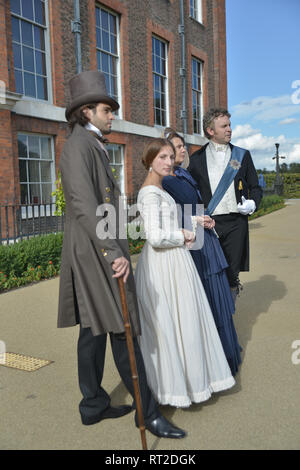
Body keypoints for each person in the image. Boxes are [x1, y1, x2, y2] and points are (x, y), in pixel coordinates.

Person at [57, 70, 186, 439]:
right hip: (97, 252)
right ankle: (148, 413)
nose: (112, 114)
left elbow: (103, 204)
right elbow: (83, 206)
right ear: (86, 112)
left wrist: (132, 219)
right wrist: (112, 251)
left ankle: (92, 405)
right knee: (120, 328)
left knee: (92, 332)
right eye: (106, 109)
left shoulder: (89, 143)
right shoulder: (79, 146)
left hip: (95, 246)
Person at [134, 138, 235, 408]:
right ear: (149, 162)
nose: (169, 162)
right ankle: (173, 390)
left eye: (170, 156)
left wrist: (193, 221)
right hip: (163, 265)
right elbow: (155, 237)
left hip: (175, 262)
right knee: (171, 326)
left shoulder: (160, 189)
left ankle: (192, 384)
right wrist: (182, 234)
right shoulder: (148, 194)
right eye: (162, 158)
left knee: (185, 323)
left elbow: (168, 220)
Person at [162, 128, 241, 376]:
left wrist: (204, 217)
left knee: (218, 297)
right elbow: (167, 216)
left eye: (183, 145)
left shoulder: (183, 173)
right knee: (205, 300)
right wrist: (196, 219)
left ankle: (227, 357)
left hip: (205, 240)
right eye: (177, 146)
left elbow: (194, 204)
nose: (183, 149)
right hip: (191, 246)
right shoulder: (165, 180)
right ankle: (210, 364)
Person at [188, 109, 263, 302]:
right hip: (209, 222)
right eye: (224, 126)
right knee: (211, 269)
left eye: (230, 125)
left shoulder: (240, 155)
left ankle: (229, 309)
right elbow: (190, 193)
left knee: (231, 269)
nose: (230, 129)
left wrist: (253, 202)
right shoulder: (196, 160)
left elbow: (255, 187)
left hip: (236, 222)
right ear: (210, 131)